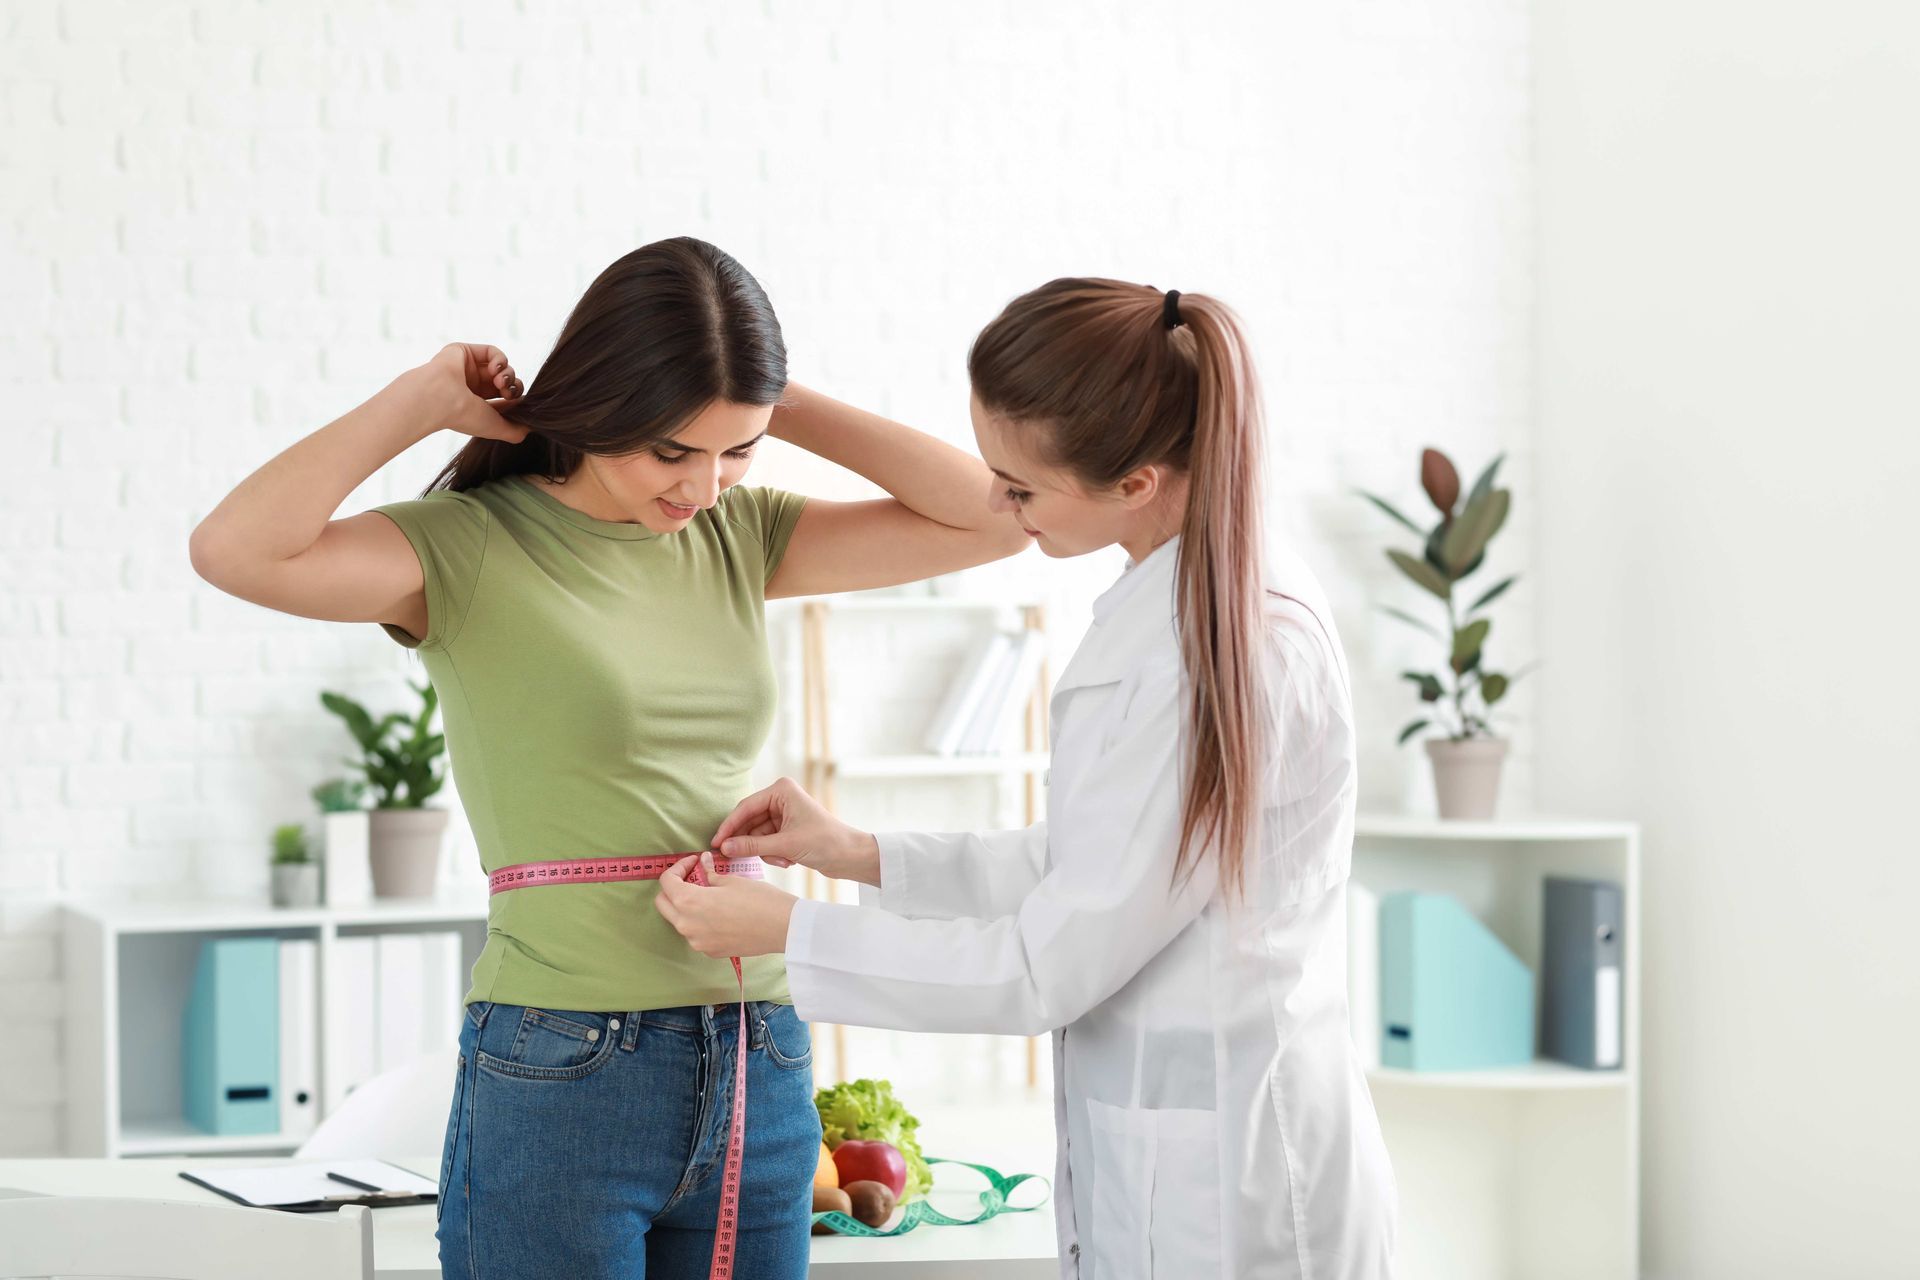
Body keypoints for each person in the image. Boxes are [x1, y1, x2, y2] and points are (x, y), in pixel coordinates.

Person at [188, 236, 1029, 1279]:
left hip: (758, 1053)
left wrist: (771, 398)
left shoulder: (740, 533)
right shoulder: (465, 546)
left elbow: (998, 520)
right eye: (672, 451)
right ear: (598, 408)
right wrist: (420, 400)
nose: (704, 486)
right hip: (564, 1065)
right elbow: (235, 550)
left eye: (738, 452)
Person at [656, 279, 1399, 1278]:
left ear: (1136, 480)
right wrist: (857, 853)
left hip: (1237, 1190)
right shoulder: (1173, 598)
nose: (999, 506)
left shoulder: (1229, 640)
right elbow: (1093, 863)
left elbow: (1045, 966)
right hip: (1176, 1157)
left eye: (1020, 486)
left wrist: (791, 935)